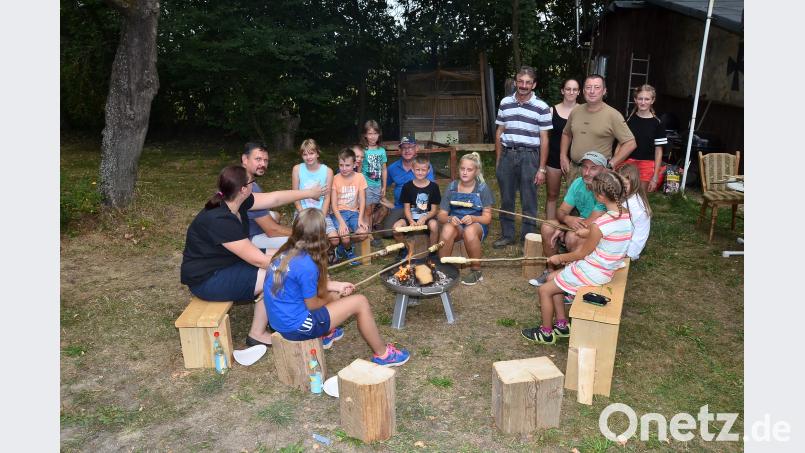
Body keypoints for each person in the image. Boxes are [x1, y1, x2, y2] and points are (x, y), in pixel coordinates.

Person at [180, 165, 326, 347]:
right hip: (207, 280)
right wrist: (301, 271)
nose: (253, 184)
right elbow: (259, 260)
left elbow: (275, 198)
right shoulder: (220, 219)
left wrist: (308, 192)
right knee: (275, 274)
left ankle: (285, 311)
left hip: (226, 263)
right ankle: (257, 333)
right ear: (243, 189)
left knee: (285, 255)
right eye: (252, 182)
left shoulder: (237, 202)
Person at [264, 208, 410, 366]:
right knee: (360, 302)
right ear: (320, 234)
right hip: (297, 327)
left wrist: (335, 286)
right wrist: (333, 296)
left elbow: (299, 283)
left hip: (278, 320)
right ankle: (384, 355)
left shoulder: (285, 251)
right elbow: (312, 305)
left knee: (329, 285)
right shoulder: (307, 264)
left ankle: (326, 332)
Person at [521, 171, 633, 345]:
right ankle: (562, 325)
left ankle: (546, 332)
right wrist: (586, 231)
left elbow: (581, 254)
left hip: (594, 271)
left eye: (595, 193)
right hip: (606, 267)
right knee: (552, 278)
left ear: (601, 197)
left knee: (544, 290)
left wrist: (559, 257)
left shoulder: (600, 224)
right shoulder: (625, 214)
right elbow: (608, 232)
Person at [493, 65, 553, 248]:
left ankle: (528, 237)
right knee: (507, 198)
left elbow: (544, 139)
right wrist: (498, 160)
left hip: (530, 157)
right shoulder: (505, 103)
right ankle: (507, 235)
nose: (524, 85)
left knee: (529, 198)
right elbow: (499, 132)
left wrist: (542, 168)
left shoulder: (541, 107)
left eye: (528, 82)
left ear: (534, 85)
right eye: (521, 81)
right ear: (516, 82)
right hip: (507, 154)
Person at [530, 151, 608, 286]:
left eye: (593, 168)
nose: (587, 172)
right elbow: (561, 212)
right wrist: (567, 221)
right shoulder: (578, 183)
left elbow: (590, 223)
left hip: (599, 232)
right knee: (548, 226)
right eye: (584, 167)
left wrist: (565, 227)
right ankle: (550, 270)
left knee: (573, 236)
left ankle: (572, 278)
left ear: (604, 170)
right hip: (578, 224)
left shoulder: (606, 189)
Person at [559, 74, 636, 182]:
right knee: (573, 199)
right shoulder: (576, 111)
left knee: (597, 199)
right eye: (588, 87)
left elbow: (630, 143)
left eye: (597, 87)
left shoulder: (613, 115)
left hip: (598, 173)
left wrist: (611, 164)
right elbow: (566, 134)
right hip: (575, 169)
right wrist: (563, 156)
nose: (592, 91)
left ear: (604, 91)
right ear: (584, 91)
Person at [438, 152, 495, 286]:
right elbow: (441, 215)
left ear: (476, 171)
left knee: (469, 231)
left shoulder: (482, 188)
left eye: (469, 170)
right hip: (456, 224)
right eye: (462, 169)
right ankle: (443, 269)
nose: (465, 172)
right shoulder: (452, 187)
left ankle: (476, 270)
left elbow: (487, 218)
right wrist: (450, 218)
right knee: (446, 229)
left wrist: (474, 218)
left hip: (477, 225)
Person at [380, 135, 436, 235]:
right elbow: (382, 187)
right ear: (400, 150)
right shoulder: (393, 168)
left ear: (416, 149)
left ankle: (411, 227)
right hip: (400, 207)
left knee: (428, 227)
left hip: (420, 206)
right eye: (404, 148)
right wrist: (389, 204)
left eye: (410, 147)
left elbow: (430, 190)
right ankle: (406, 224)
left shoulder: (424, 167)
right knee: (388, 233)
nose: (407, 150)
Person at [291, 139, 337, 256]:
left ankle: (329, 251)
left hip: (321, 211)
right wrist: (302, 214)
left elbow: (327, 198)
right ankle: (307, 257)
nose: (308, 157)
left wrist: (321, 217)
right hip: (303, 211)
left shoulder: (328, 171)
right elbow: (295, 196)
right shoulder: (297, 169)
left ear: (317, 153)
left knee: (335, 239)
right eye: (304, 154)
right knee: (304, 237)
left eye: (311, 153)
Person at [241, 142, 292, 250]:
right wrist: (302, 233)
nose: (263, 164)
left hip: (244, 226)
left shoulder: (237, 177)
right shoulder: (246, 187)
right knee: (302, 241)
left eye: (265, 160)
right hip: (247, 239)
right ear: (245, 159)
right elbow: (272, 231)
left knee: (275, 215)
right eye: (258, 159)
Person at [620, 84, 668, 192]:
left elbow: (658, 151)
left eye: (646, 99)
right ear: (635, 100)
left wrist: (655, 177)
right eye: (640, 98)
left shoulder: (658, 123)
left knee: (641, 197)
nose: (643, 102)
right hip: (628, 162)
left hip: (647, 165)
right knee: (624, 194)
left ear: (652, 100)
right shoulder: (628, 120)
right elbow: (621, 143)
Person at [545, 79, 580, 220]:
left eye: (574, 89)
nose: (571, 92)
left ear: (578, 92)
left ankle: (569, 230)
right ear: (562, 91)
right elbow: (546, 137)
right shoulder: (551, 111)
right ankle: (550, 227)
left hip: (576, 160)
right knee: (552, 195)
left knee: (575, 197)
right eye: (568, 89)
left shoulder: (583, 111)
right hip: (553, 158)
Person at [393, 155, 441, 255]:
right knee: (396, 228)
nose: (420, 172)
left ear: (428, 170)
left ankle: (433, 251)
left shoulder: (434, 187)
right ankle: (404, 249)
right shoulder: (407, 186)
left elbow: (434, 210)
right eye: (417, 169)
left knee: (434, 225)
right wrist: (410, 220)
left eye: (423, 170)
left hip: (427, 218)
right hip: (411, 217)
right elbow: (406, 208)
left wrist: (424, 218)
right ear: (412, 169)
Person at [330, 147, 369, 264]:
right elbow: (333, 204)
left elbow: (362, 200)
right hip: (339, 213)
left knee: (363, 233)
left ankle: (341, 247)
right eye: (341, 165)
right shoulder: (335, 179)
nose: (343, 168)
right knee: (345, 235)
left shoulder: (360, 177)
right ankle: (348, 250)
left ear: (354, 165)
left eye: (347, 165)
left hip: (354, 213)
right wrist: (341, 223)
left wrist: (361, 218)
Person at [361, 120, 388, 247]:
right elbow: (359, 168)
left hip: (377, 185)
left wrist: (384, 186)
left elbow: (384, 169)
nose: (372, 136)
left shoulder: (381, 151)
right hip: (366, 185)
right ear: (365, 135)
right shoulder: (364, 151)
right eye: (369, 133)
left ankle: (369, 229)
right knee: (367, 210)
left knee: (372, 210)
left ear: (379, 134)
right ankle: (369, 235)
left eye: (375, 133)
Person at [617, 164, 652, 260]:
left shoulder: (637, 207)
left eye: (624, 185)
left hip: (627, 249)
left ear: (634, 183)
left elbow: (641, 233)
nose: (620, 189)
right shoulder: (621, 198)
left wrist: (629, 254)